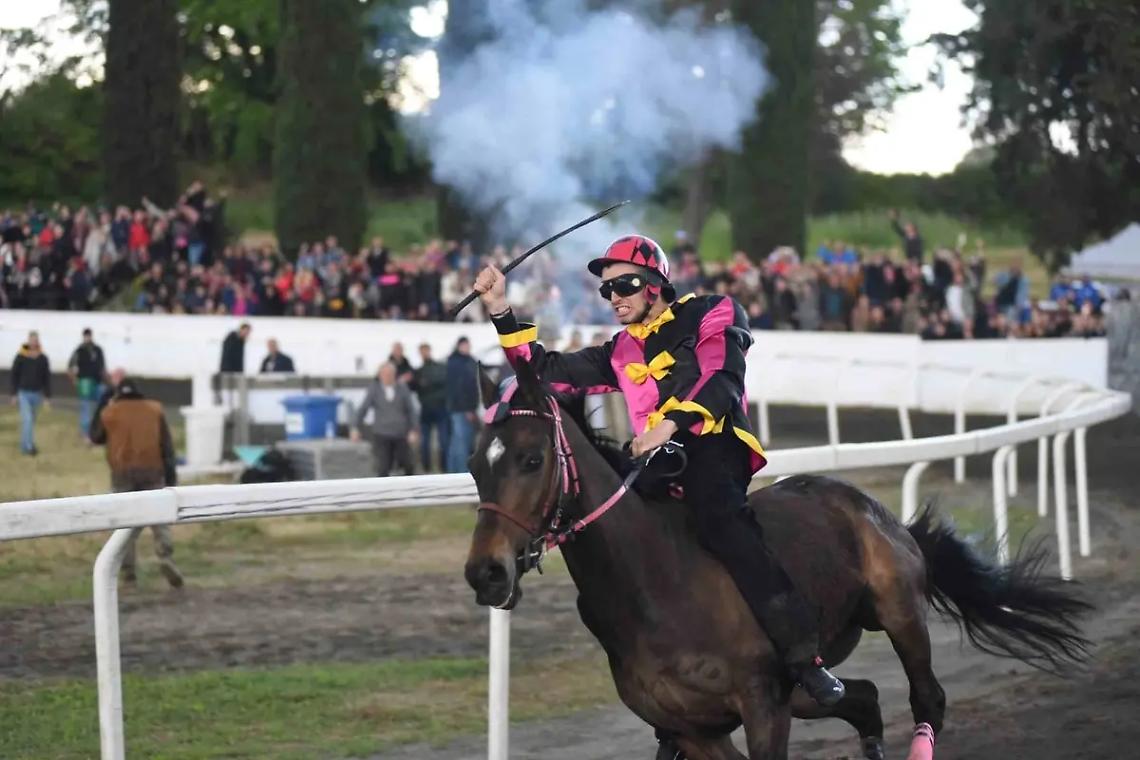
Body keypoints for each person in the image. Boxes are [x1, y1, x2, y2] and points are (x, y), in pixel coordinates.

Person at [473, 234, 845, 718]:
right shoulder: (617, 351)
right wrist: (501, 309)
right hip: (654, 460)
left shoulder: (713, 311)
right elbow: (540, 372)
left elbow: (722, 379)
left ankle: (803, 656)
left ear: (655, 284)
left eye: (624, 285)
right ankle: (661, 688)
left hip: (714, 447)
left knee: (722, 526)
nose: (614, 297)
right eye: (607, 290)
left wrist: (669, 425)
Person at [89, 376, 184, 588]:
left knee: (125, 525)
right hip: (152, 472)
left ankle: (129, 573)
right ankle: (165, 556)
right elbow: (167, 447)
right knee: (160, 519)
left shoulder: (110, 412)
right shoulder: (154, 410)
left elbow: (95, 436)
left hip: (122, 473)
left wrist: (102, 404)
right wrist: (171, 478)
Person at [351, 363, 419, 476]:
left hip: (401, 433)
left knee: (408, 466)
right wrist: (355, 427)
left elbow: (411, 410)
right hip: (382, 434)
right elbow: (363, 409)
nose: (387, 377)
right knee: (383, 467)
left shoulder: (402, 388)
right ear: (380, 375)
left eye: (390, 374)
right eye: (384, 374)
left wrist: (413, 430)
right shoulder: (374, 389)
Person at [10, 331, 51, 456]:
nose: (33, 342)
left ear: (38, 341)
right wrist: (14, 394)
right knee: (27, 419)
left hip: (36, 394)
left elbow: (46, 377)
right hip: (24, 393)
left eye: (35, 340)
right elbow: (14, 375)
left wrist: (47, 396)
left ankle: (24, 446)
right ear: (28, 341)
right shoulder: (21, 356)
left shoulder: (43, 358)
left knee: (30, 421)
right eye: (31, 340)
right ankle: (29, 447)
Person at [410, 342, 449, 472]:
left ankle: (444, 467)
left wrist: (426, 384)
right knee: (424, 442)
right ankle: (426, 467)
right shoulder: (418, 372)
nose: (424, 353)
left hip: (440, 408)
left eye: (425, 350)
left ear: (429, 351)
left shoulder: (439, 368)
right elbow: (414, 387)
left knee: (443, 440)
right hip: (426, 409)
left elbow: (443, 383)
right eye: (422, 351)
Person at [445, 336, 480, 473]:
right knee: (462, 442)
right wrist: (468, 409)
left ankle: (453, 471)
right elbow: (458, 389)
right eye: (464, 345)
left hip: (464, 408)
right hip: (461, 409)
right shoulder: (456, 363)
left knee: (457, 441)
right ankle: (461, 472)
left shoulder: (469, 361)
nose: (467, 348)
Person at [68, 328, 109, 441]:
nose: (87, 338)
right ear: (83, 337)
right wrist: (75, 380)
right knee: (85, 409)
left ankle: (99, 431)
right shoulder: (79, 351)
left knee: (101, 408)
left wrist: (107, 381)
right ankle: (85, 434)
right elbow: (70, 366)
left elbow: (103, 367)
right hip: (84, 383)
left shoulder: (98, 350)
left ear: (91, 336)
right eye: (85, 336)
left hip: (98, 383)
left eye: (89, 336)